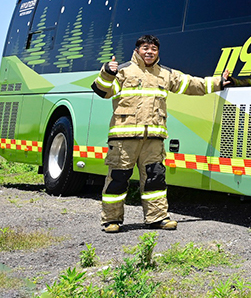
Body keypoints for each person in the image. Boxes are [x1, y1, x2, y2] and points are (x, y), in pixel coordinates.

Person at [90, 35, 231, 233]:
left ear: (158, 52)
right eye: (145, 48)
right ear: (137, 50)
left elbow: (191, 84)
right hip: (124, 139)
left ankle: (156, 218)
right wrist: (107, 72)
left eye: (154, 49)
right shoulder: (122, 71)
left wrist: (219, 82)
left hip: (153, 139)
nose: (149, 52)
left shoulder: (166, 74)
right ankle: (111, 220)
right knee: (118, 179)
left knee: (155, 180)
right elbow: (102, 91)